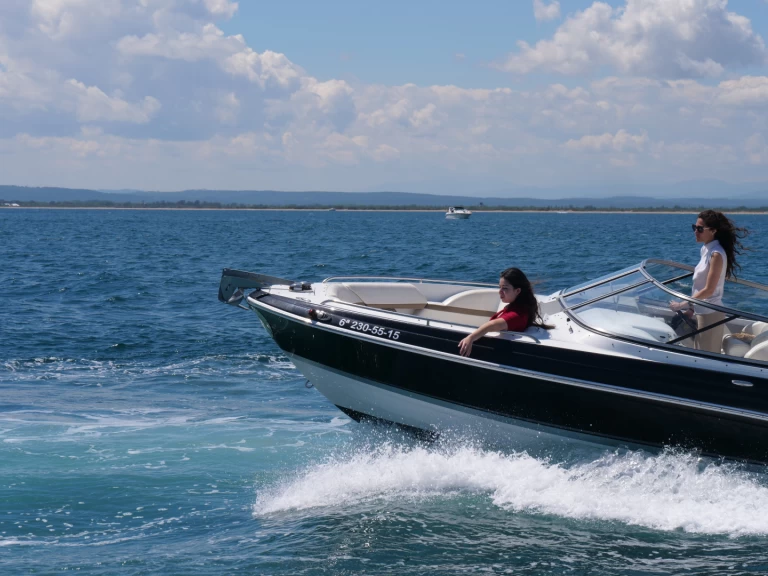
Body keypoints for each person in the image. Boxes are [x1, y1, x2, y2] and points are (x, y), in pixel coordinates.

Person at [670, 210, 750, 353]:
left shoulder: (716, 254)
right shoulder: (705, 249)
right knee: (698, 355)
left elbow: (709, 290)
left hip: (710, 315)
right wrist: (691, 309)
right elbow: (699, 286)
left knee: (705, 358)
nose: (696, 231)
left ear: (713, 231)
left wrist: (681, 304)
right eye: (694, 227)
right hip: (702, 312)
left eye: (700, 229)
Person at [458, 267, 551, 357]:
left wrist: (470, 338)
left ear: (517, 291)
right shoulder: (518, 306)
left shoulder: (516, 316)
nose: (500, 292)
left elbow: (492, 325)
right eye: (500, 287)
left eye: (505, 288)